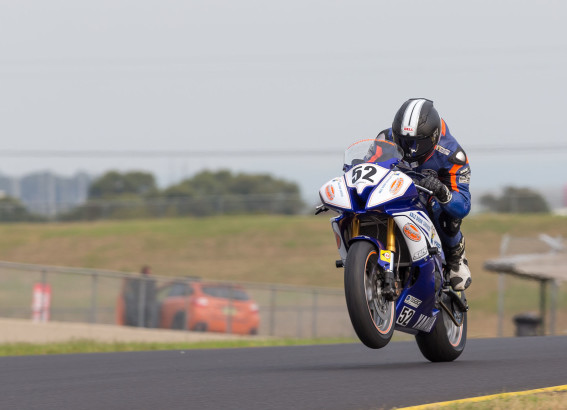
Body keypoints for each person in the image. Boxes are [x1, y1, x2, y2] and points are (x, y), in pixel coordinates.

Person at [378, 98, 472, 290]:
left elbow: (463, 204)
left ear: (434, 137)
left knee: (444, 209)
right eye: (403, 141)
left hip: (429, 199)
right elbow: (370, 167)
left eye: (417, 144)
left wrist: (442, 191)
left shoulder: (452, 153)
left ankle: (455, 256)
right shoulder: (384, 139)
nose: (409, 150)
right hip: (395, 193)